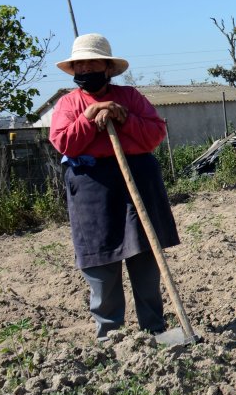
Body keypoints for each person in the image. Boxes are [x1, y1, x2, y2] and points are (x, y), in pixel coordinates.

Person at [49, 33, 180, 340]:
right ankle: (110, 336)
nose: (84, 70)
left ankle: (155, 328)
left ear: (107, 67)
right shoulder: (69, 103)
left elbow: (153, 135)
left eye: (91, 63)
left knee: (145, 255)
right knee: (100, 261)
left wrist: (123, 118)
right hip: (92, 188)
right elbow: (64, 141)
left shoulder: (130, 97)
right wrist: (90, 116)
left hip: (137, 180)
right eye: (78, 66)